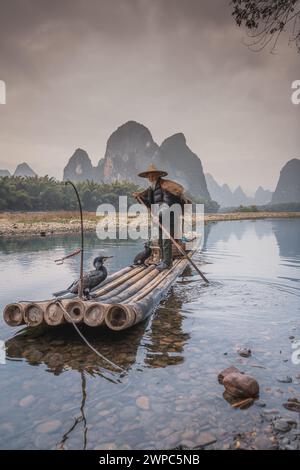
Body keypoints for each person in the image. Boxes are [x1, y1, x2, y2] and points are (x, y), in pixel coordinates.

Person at [133, 164, 190, 270]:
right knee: (160, 240)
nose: (150, 178)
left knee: (165, 240)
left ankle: (167, 263)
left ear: (158, 175)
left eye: (153, 175)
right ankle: (163, 260)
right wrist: (139, 198)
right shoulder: (152, 189)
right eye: (149, 176)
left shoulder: (165, 187)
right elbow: (149, 204)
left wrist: (158, 215)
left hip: (169, 217)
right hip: (159, 218)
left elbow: (167, 204)